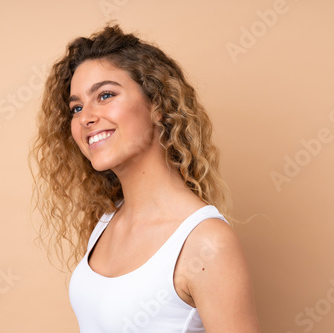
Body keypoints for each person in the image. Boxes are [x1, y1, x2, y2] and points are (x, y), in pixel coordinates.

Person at [30, 24, 260, 332]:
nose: (86, 117)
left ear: (157, 106)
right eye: (77, 107)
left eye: (106, 95)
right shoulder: (107, 221)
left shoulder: (206, 242)